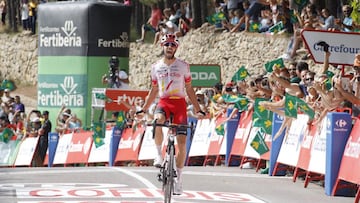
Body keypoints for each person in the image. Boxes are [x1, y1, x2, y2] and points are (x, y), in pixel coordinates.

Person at [135, 34, 205, 195]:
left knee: (181, 143)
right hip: (164, 102)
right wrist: (144, 109)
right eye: (167, 44)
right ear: (162, 46)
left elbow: (189, 89)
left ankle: (179, 179)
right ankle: (159, 155)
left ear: (176, 48)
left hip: (179, 104)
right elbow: (153, 90)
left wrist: (197, 108)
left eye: (172, 45)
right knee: (157, 121)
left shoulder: (183, 66)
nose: (169, 47)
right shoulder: (155, 67)